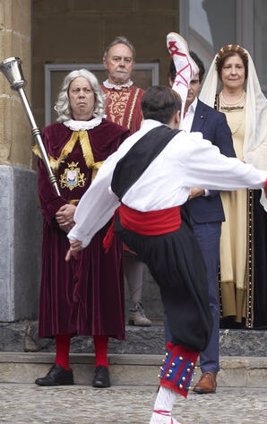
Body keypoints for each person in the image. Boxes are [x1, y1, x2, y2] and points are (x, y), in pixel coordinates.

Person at [66, 86, 267, 424]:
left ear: (141, 116)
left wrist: (80, 234)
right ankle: (163, 412)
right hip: (164, 236)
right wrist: (266, 180)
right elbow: (228, 169)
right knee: (195, 321)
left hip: (131, 230)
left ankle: (164, 403)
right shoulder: (184, 143)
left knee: (185, 310)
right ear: (177, 116)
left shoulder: (127, 145)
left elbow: (102, 189)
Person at [34, 69, 129, 389]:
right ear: (67, 96)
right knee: (61, 295)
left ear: (95, 95)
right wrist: (59, 212)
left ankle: (101, 364)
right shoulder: (49, 136)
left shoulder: (113, 136)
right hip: (59, 229)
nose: (82, 96)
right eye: (76, 91)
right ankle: (62, 364)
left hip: (99, 227)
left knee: (100, 292)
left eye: (87, 90)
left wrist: (83, 213)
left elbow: (114, 184)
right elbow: (43, 183)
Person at [167, 51, 235, 395]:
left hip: (205, 216)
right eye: (183, 79)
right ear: (171, 82)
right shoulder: (162, 119)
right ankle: (176, 369)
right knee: (175, 292)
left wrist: (201, 187)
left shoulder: (215, 120)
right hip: (168, 218)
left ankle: (209, 369)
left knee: (207, 293)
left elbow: (229, 169)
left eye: (194, 80)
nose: (189, 87)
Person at [199, 44, 267, 329]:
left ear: (246, 72)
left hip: (247, 189)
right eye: (228, 67)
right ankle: (221, 312)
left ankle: (249, 311)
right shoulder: (208, 106)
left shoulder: (258, 106)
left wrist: (246, 165)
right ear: (220, 72)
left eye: (238, 68)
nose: (233, 72)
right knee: (219, 246)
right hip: (217, 190)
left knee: (245, 248)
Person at [101, 36, 151, 327]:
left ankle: (136, 306)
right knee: (100, 244)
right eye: (116, 59)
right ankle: (105, 306)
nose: (121, 64)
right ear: (105, 62)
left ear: (133, 64)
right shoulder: (90, 91)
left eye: (127, 59)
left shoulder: (143, 97)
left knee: (133, 246)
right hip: (98, 180)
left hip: (133, 181)